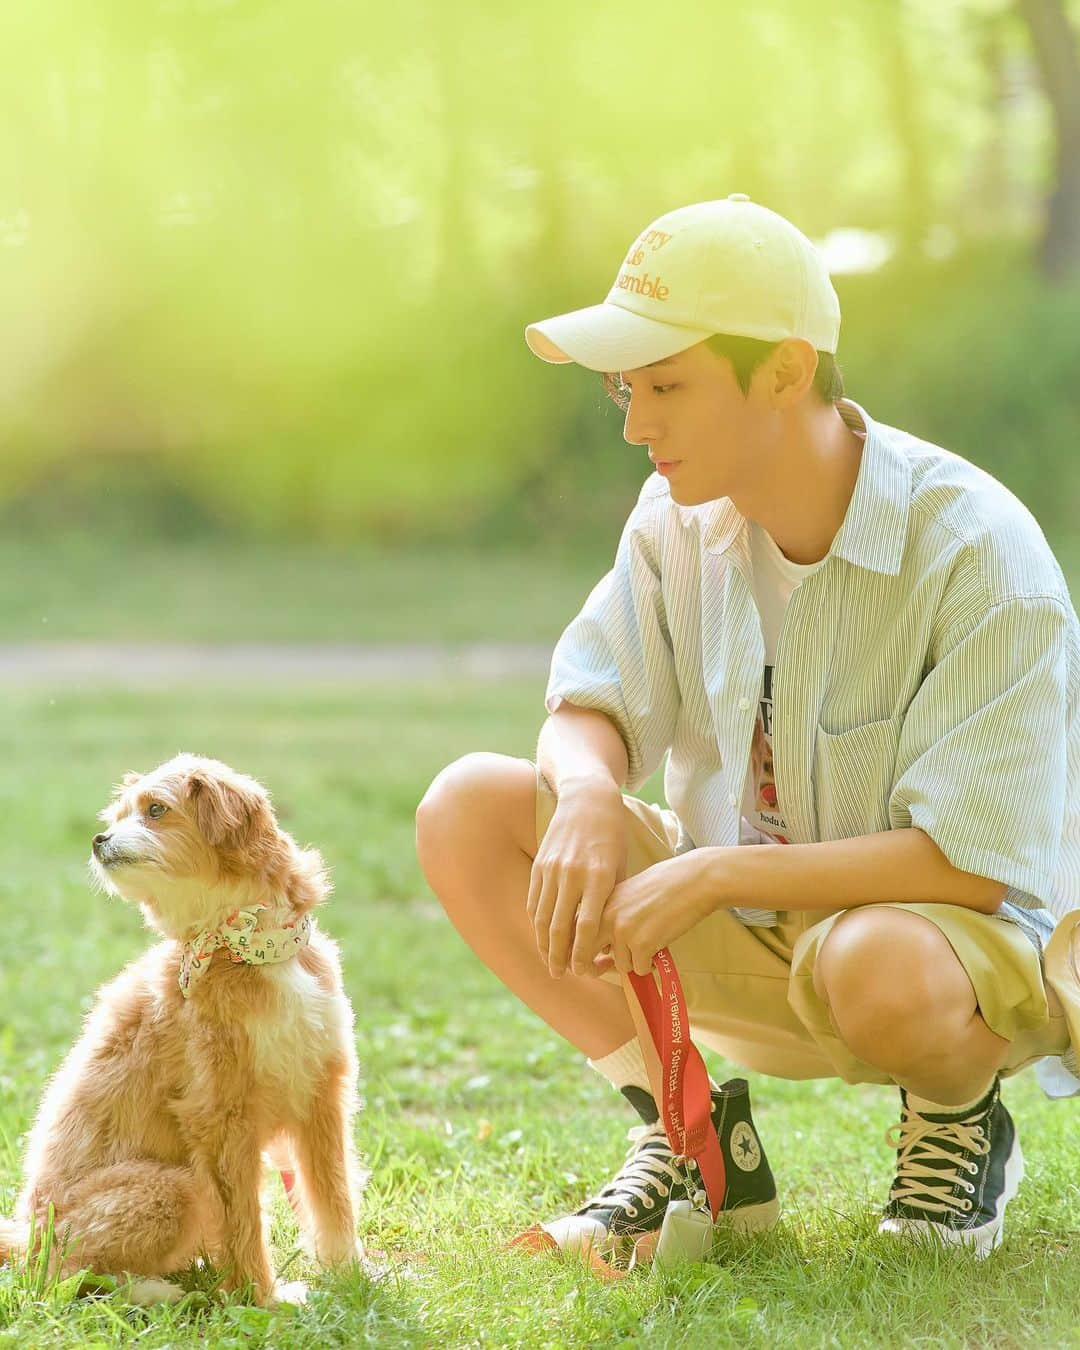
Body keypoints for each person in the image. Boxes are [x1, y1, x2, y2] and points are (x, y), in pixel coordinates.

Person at [415, 196, 1080, 1270]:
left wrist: (713, 871)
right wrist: (586, 790)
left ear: (781, 371)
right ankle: (691, 1133)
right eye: (626, 391)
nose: (637, 425)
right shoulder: (676, 514)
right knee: (468, 808)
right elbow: (589, 701)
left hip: (947, 957)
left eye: (667, 387)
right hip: (750, 924)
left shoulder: (980, 554)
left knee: (879, 959)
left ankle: (958, 1122)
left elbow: (970, 864)